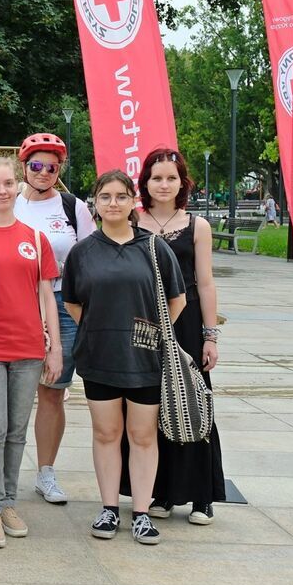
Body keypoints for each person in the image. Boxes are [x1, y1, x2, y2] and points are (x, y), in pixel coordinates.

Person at [62, 169, 184, 545]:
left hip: (145, 357)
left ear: (133, 202)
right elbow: (71, 302)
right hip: (99, 355)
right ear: (94, 204)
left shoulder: (153, 247)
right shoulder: (82, 252)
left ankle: (142, 512)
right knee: (106, 432)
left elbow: (176, 301)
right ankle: (109, 507)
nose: (113, 203)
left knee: (143, 434)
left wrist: (146, 332)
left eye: (120, 196)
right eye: (105, 197)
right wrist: (104, 326)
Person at [0, 156, 61, 549]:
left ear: (17, 186)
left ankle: (6, 501)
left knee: (17, 432)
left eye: (7, 183)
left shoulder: (35, 239)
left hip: (29, 349)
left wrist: (55, 348)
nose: (2, 191)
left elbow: (47, 297)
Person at [134, 148, 225, 524]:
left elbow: (205, 282)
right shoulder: (133, 220)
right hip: (144, 321)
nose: (164, 184)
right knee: (150, 405)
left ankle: (202, 496)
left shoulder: (196, 226)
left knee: (191, 401)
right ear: (145, 182)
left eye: (171, 177)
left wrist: (210, 336)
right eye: (157, 177)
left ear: (182, 182)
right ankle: (164, 491)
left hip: (186, 324)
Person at [11, 132, 96, 504]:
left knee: (52, 389)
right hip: (13, 301)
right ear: (24, 167)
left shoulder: (71, 205)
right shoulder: (8, 199)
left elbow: (91, 254)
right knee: (3, 388)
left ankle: (46, 470)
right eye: (36, 165)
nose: (44, 172)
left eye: (52, 166)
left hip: (60, 301)